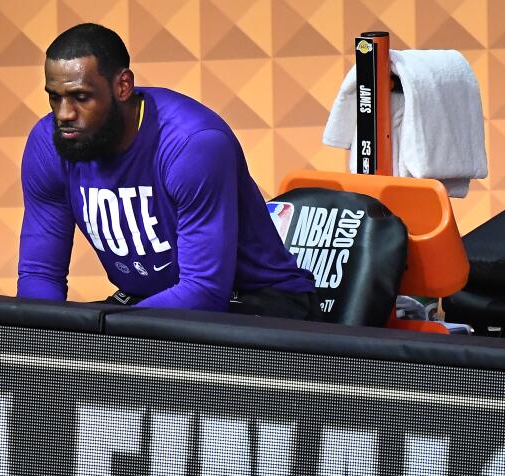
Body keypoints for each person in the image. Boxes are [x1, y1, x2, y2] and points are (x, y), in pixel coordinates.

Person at [18, 23, 318, 318]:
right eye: (55, 97)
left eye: (81, 97)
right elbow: (40, 273)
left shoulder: (191, 144)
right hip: (152, 301)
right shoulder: (49, 144)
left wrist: (107, 333)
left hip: (258, 300)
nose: (64, 114)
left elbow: (204, 290)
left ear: (122, 86)